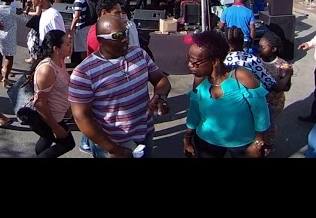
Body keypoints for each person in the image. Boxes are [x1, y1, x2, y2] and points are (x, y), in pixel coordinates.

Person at [69, 15, 171, 158]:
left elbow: (161, 80)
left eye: (125, 33)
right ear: (100, 40)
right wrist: (113, 149)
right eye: (117, 36)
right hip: (110, 144)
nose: (125, 39)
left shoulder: (139, 54)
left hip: (144, 134)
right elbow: (81, 116)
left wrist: (160, 97)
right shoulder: (84, 72)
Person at [183, 30, 270, 159]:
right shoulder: (199, 81)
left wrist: (258, 143)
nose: (190, 66)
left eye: (195, 62)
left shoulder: (241, 76)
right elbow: (194, 112)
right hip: (206, 142)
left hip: (242, 145)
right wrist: (187, 139)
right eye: (189, 60)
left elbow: (261, 112)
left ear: (215, 62)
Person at [27, 30, 76, 158]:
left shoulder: (60, 61)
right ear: (56, 48)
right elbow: (40, 103)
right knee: (68, 143)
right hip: (48, 118)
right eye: (67, 44)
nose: (70, 47)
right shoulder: (47, 69)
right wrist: (55, 127)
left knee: (46, 139)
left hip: (57, 116)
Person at [258, 31, 293, 155]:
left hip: (274, 103)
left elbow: (286, 87)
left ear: (273, 49)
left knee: (270, 125)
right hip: (259, 101)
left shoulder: (282, 65)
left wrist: (288, 75)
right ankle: (258, 142)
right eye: (259, 46)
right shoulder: (257, 61)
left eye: (263, 47)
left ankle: (268, 144)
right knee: (258, 123)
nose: (259, 49)